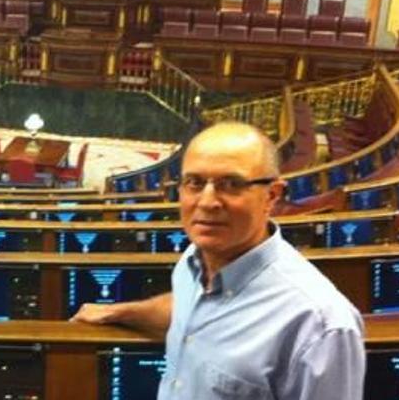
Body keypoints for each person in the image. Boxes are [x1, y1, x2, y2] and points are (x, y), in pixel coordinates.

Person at [72, 121, 365, 399]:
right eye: (194, 183)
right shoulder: (193, 261)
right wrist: (120, 313)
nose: (208, 202)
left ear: (272, 196)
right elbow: (198, 312)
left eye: (231, 184)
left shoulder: (320, 324)